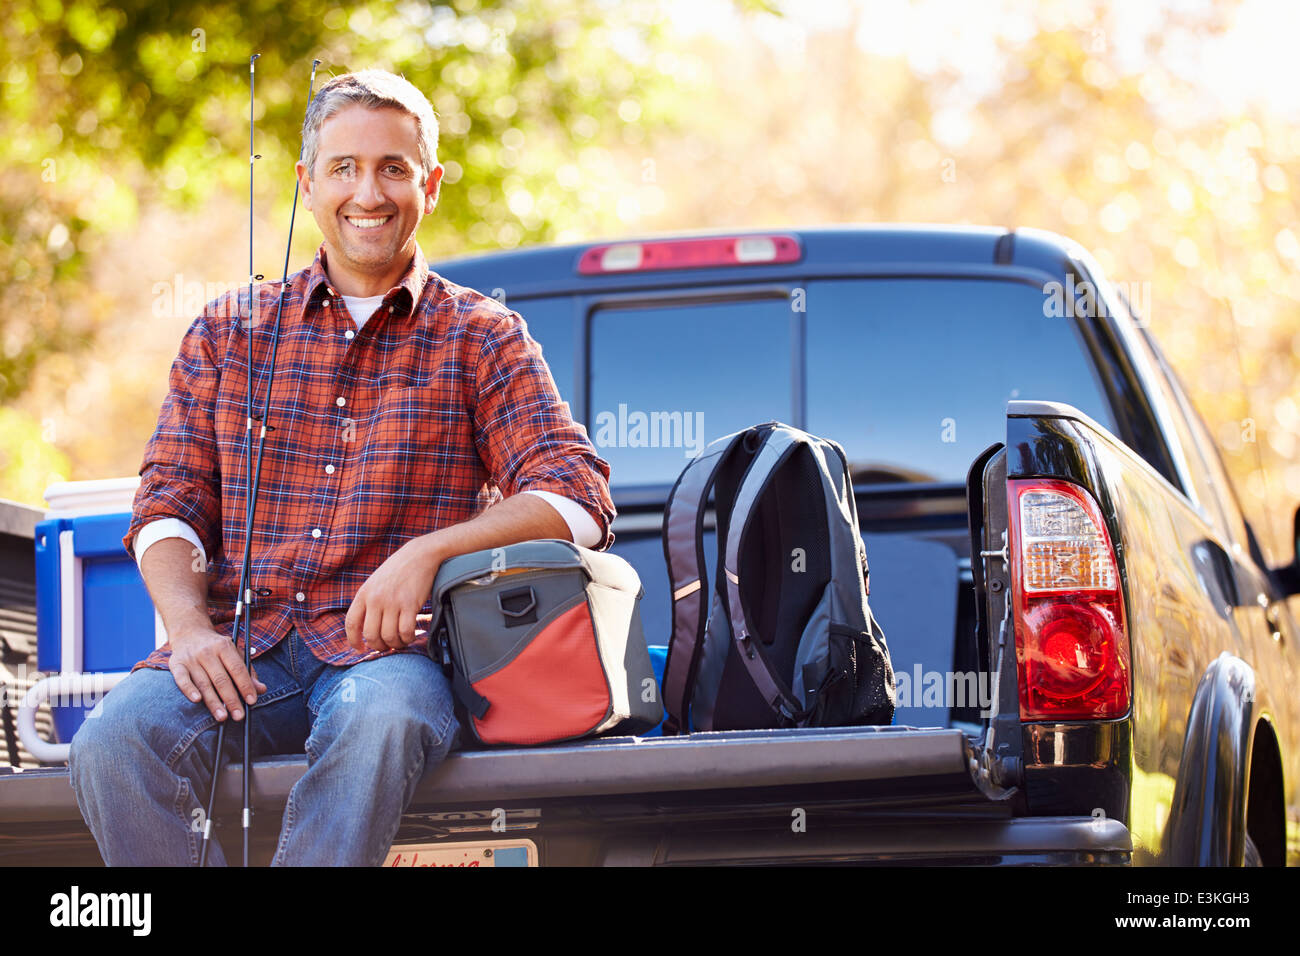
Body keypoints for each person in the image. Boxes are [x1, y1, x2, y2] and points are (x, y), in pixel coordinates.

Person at [67, 70, 616, 866]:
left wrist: (427, 555)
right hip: (235, 651)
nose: (370, 191)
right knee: (112, 742)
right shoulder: (228, 331)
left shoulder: (482, 335)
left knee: (379, 722)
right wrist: (187, 632)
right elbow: (167, 508)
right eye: (344, 168)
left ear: (428, 184)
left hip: (392, 665)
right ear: (307, 183)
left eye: (394, 167)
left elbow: (577, 495)